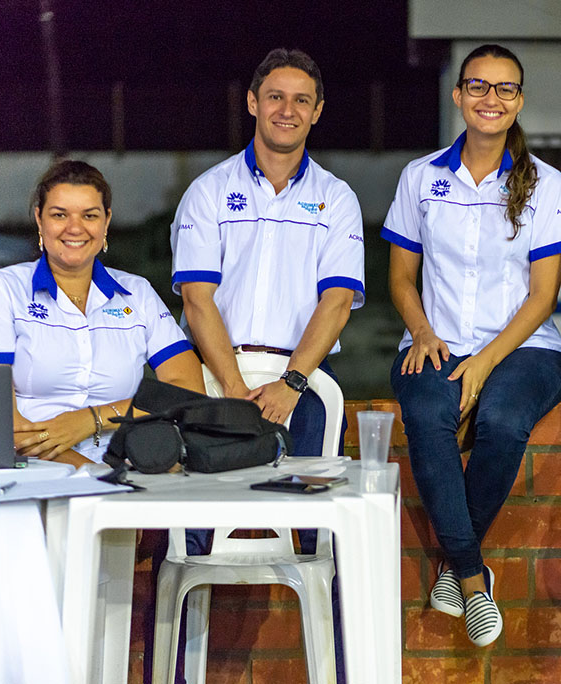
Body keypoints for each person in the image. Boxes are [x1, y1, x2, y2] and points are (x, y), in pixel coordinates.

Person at [169, 47, 364, 682]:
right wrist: (231, 388)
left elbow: (338, 302)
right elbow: (197, 299)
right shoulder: (209, 190)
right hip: (213, 384)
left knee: (323, 542)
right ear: (253, 103)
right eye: (275, 96)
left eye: (301, 100)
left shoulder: (336, 198)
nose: (287, 110)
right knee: (186, 544)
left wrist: (291, 382)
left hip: (299, 388)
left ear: (318, 112)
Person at [384, 44, 561, 647]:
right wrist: (422, 331)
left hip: (526, 348)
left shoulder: (544, 182)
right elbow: (400, 278)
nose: (491, 98)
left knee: (503, 420)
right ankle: (471, 573)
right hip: (434, 341)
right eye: (478, 86)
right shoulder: (421, 177)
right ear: (458, 94)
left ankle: (454, 566)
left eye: (505, 88)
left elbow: (543, 296)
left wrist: (484, 363)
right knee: (426, 414)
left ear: (519, 101)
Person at [0, 160, 204, 466]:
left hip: (130, 463)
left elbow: (187, 390)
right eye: (59, 215)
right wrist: (92, 473)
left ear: (106, 221)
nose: (75, 228)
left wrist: (92, 419)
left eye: (90, 215)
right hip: (37, 471)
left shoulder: (137, 293)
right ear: (39, 219)